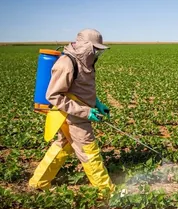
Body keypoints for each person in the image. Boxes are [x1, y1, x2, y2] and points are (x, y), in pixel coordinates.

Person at [29, 28, 115, 193]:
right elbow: (53, 96)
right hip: (72, 116)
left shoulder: (85, 62)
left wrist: (97, 103)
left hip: (77, 113)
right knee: (89, 151)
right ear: (86, 47)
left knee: (63, 145)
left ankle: (38, 182)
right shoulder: (67, 63)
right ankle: (106, 190)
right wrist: (86, 112)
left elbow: (79, 88)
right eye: (95, 49)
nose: (97, 53)